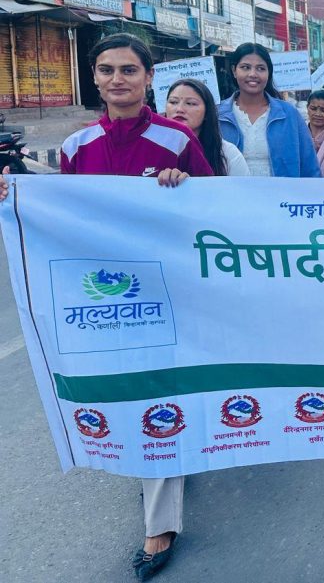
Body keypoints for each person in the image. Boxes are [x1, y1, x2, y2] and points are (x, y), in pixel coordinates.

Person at [0, 33, 213, 581]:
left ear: (148, 78)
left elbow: (215, 211)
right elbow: (61, 218)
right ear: (94, 78)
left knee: (156, 389)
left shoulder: (175, 141)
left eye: (129, 69)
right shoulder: (75, 147)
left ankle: (159, 523)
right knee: (122, 388)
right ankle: (166, 462)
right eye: (106, 69)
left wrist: (184, 184)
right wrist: (16, 199)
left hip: (167, 291)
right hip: (103, 294)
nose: (117, 79)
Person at [216, 43, 321, 178]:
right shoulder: (217, 115)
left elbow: (310, 166)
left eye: (260, 68)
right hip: (231, 197)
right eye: (245, 67)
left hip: (281, 197)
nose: (253, 74)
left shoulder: (289, 114)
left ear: (269, 73)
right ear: (234, 71)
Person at [165, 79, 249, 176]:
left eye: (191, 103)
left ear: (206, 112)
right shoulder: (153, 147)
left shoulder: (228, 153)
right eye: (173, 102)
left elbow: (242, 190)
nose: (179, 109)